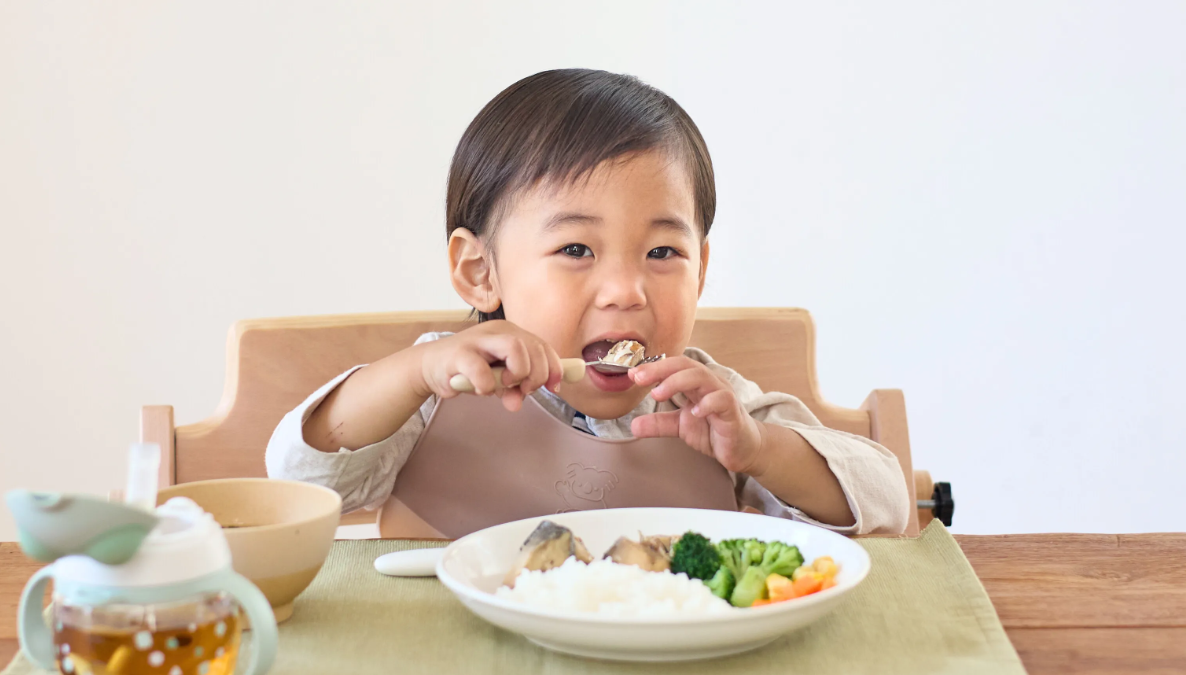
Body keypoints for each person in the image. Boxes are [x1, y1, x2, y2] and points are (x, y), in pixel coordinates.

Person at [266, 69, 910, 535]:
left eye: (662, 252)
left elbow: (886, 499)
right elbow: (299, 482)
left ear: (701, 272)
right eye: (576, 249)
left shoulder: (710, 408)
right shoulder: (440, 387)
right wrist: (411, 374)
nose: (627, 290)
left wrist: (760, 448)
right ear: (479, 272)